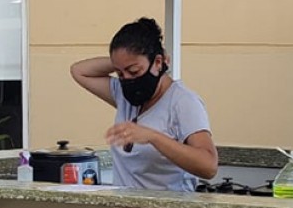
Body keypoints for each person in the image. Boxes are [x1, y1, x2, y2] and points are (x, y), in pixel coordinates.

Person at [71, 17, 218, 191]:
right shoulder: (124, 95)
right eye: (120, 74)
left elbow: (209, 166)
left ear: (157, 62)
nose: (127, 79)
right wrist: (122, 60)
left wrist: (153, 137)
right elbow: (79, 71)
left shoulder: (183, 102)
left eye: (134, 71)